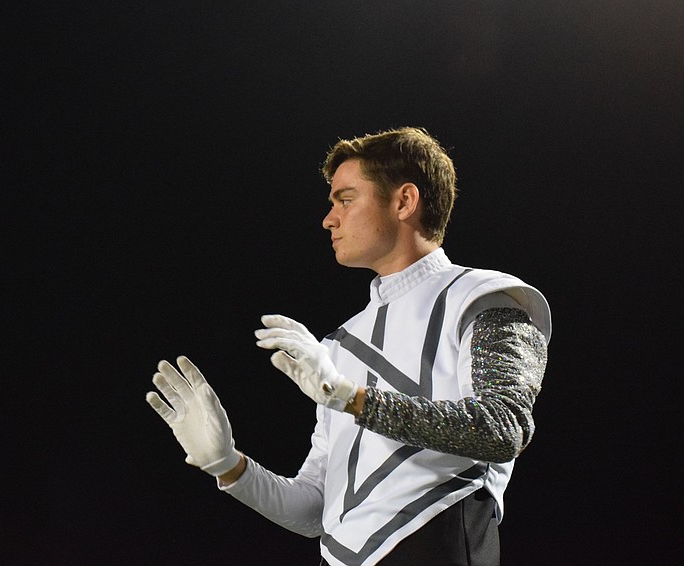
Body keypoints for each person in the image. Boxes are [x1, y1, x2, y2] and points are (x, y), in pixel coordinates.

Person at [145, 127, 551, 566]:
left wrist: (349, 397)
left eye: (345, 199)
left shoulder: (487, 297)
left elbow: (501, 428)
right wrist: (229, 466)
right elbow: (317, 509)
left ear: (404, 201)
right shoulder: (337, 347)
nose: (329, 219)